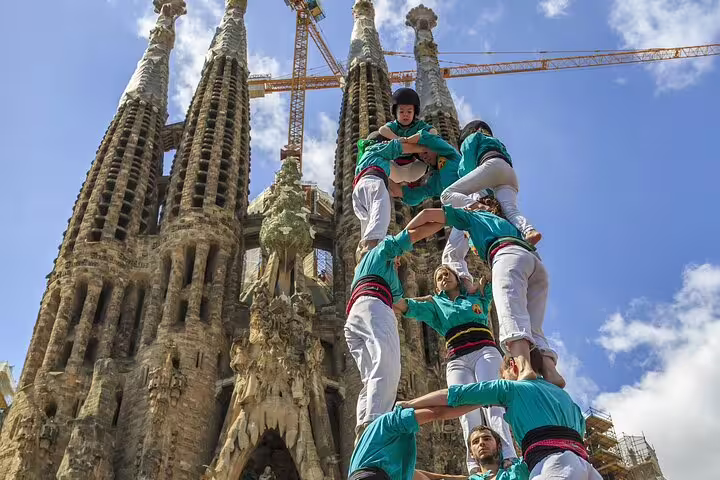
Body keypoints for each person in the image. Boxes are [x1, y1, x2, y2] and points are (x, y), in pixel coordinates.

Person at [401, 199, 564, 387]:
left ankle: (525, 367)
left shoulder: (470, 217)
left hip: (505, 258)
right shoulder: (505, 222)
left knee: (512, 317)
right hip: (532, 262)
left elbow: (430, 214)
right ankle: (550, 369)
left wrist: (400, 241)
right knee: (533, 326)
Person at [394, 265, 517, 472]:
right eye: (439, 277)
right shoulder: (436, 305)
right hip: (456, 356)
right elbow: (407, 306)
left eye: (446, 274)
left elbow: (493, 276)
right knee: (463, 408)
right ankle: (474, 465)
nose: (443, 278)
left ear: (456, 277)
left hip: (484, 350)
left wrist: (474, 282)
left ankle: (509, 455)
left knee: (493, 401)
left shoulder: (475, 297)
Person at [399, 356, 601, 480]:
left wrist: (411, 404)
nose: (502, 380)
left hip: (553, 463)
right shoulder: (564, 397)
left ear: (513, 366)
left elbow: (453, 395)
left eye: (502, 375)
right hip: (585, 466)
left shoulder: (510, 388)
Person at [345, 220, 446, 444]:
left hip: (356, 318)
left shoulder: (388, 278)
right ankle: (375, 423)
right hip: (374, 308)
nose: (399, 260)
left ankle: (363, 425)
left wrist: (434, 304)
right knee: (388, 365)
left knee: (370, 376)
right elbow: (412, 233)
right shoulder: (379, 252)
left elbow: (403, 305)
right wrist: (446, 219)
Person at [440, 120, 542, 246]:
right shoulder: (498, 143)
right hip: (509, 174)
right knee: (510, 210)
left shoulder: (472, 138)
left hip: (491, 165)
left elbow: (467, 167)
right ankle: (529, 231)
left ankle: (481, 208)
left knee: (447, 194)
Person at [348, 404, 480, 480]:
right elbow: (437, 413)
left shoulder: (386, 457)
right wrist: (482, 400)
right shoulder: (393, 421)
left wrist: (463, 478)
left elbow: (421, 476)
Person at [353, 131, 429, 245]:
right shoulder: (378, 147)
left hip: (359, 190)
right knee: (381, 213)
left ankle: (364, 251)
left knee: (367, 222)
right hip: (373, 182)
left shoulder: (367, 157)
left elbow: (399, 177)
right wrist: (426, 148)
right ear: (383, 142)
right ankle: (372, 246)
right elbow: (400, 147)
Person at [415, 425, 529, 480]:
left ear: (499, 446)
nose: (481, 443)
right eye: (475, 442)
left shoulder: (520, 468)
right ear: (471, 454)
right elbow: (409, 473)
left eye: (487, 439)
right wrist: (457, 478)